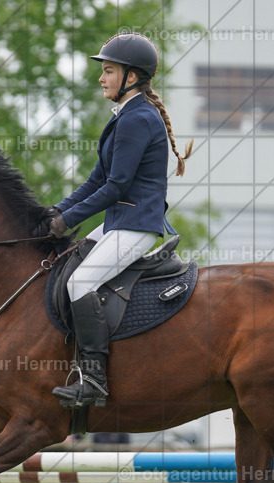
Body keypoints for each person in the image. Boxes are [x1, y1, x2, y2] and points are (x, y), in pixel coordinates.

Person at [43, 32, 193, 409]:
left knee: (80, 283)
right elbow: (96, 180)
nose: (101, 78)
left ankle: (94, 380)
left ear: (131, 76)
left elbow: (116, 186)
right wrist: (58, 212)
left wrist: (68, 220)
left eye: (108, 71)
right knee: (67, 265)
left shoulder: (137, 119)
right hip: (119, 221)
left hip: (136, 225)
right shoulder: (127, 115)